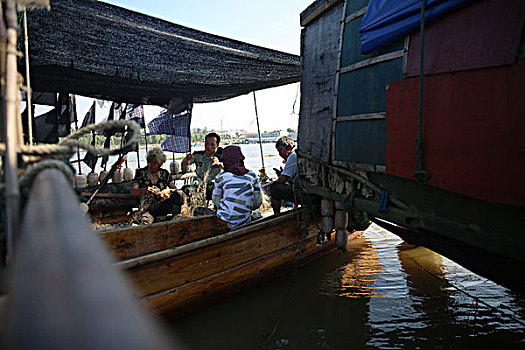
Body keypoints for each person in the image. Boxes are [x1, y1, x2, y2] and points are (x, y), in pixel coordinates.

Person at [212, 145, 262, 229]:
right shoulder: (252, 176)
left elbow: (216, 202)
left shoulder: (220, 177)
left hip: (225, 222)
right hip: (245, 222)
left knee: (199, 211)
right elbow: (257, 204)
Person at [130, 147, 184, 224]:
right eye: (153, 162)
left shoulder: (164, 174)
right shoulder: (141, 173)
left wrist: (166, 191)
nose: (154, 165)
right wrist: (144, 190)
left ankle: (177, 218)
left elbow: (175, 189)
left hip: (163, 205)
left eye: (157, 163)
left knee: (179, 194)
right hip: (148, 207)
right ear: (149, 161)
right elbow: (133, 191)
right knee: (145, 222)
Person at [181, 132, 223, 199]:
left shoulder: (222, 156)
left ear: (217, 145)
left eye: (212, 144)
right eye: (207, 144)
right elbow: (184, 165)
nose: (209, 147)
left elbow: (230, 169)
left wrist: (219, 163)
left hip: (215, 187)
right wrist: (186, 159)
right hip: (200, 186)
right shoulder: (198, 155)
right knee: (184, 190)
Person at [269, 136, 300, 214]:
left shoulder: (292, 156)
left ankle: (276, 214)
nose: (279, 154)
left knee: (274, 188)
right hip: (300, 187)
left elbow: (282, 179)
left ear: (289, 147)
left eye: (280, 150)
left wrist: (279, 178)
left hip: (302, 192)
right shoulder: (295, 154)